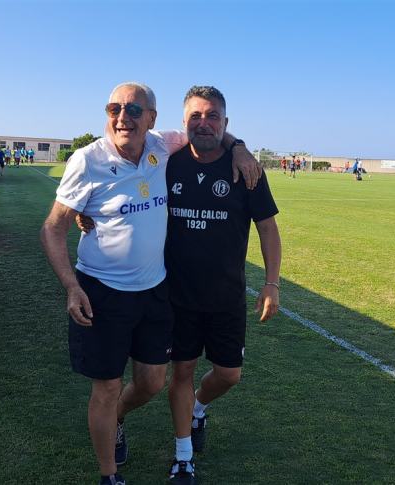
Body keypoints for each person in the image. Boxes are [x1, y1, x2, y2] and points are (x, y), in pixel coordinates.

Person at [41, 81, 260, 485]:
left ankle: (120, 416)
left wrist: (241, 145)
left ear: (152, 119)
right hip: (100, 293)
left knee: (152, 382)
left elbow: (207, 126)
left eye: (134, 110)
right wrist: (72, 286)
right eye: (114, 109)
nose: (123, 117)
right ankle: (110, 476)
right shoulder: (87, 161)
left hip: (155, 292)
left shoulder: (163, 146)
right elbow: (53, 228)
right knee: (105, 387)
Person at [165, 86, 281, 485]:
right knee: (180, 371)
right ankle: (183, 458)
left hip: (226, 296)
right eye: (196, 116)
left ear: (226, 124)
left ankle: (198, 408)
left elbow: (267, 227)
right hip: (176, 295)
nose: (204, 123)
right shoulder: (167, 162)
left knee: (229, 375)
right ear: (184, 124)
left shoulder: (245, 170)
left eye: (212, 116)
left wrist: (271, 283)